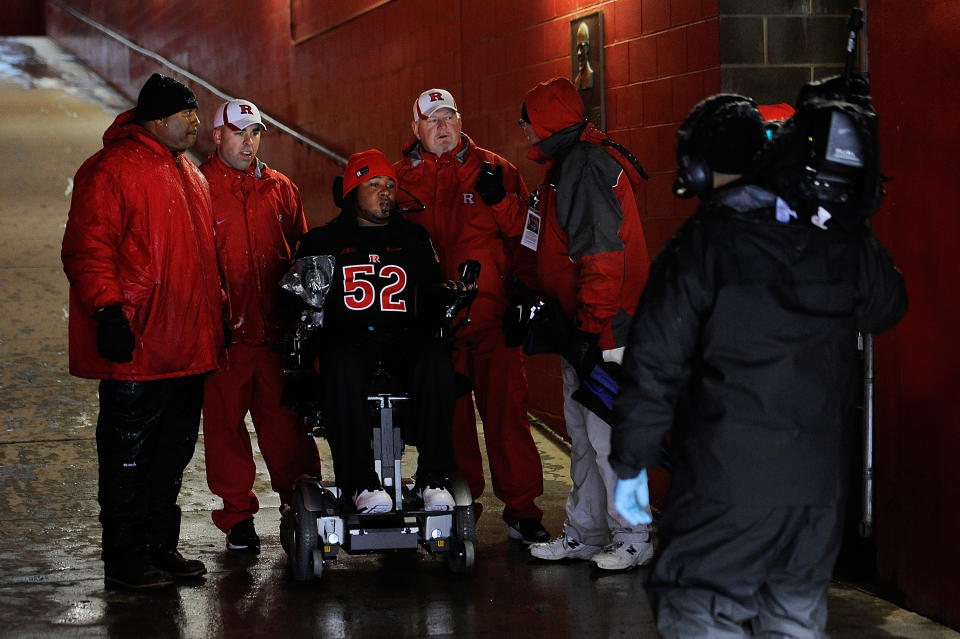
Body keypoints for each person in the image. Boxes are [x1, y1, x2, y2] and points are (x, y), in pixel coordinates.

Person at [609, 94, 908, 637]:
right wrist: (845, 221)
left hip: (726, 488)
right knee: (793, 619)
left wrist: (630, 463)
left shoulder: (701, 244)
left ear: (697, 165)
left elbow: (653, 365)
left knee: (699, 610)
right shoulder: (826, 235)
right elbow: (887, 304)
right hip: (816, 495)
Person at [61, 73, 224, 589]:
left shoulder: (191, 173)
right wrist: (108, 312)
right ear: (157, 118)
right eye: (187, 113)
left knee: (170, 457)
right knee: (128, 458)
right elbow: (87, 249)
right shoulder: (110, 170)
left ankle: (159, 548)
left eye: (197, 112)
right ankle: (126, 561)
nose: (197, 121)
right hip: (138, 344)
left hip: (188, 346)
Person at [395, 89, 549, 543]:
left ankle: (523, 511)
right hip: (434, 329)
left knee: (508, 419)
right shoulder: (399, 180)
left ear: (460, 122)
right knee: (450, 424)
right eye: (432, 119)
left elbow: (530, 236)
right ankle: (464, 508)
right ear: (416, 129)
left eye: (449, 116)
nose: (442, 126)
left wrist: (521, 294)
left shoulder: (498, 170)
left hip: (492, 320)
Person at [518, 77, 654, 570]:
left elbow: (602, 253)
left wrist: (590, 326)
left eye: (528, 121)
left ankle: (634, 536)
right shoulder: (569, 165)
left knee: (611, 438)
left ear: (547, 120)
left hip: (607, 331)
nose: (524, 131)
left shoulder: (583, 167)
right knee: (585, 438)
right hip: (586, 327)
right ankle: (589, 531)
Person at [294, 149, 466, 513]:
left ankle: (432, 477)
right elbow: (303, 305)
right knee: (338, 361)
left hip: (402, 339)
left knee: (436, 361)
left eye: (390, 184)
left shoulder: (415, 239)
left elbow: (431, 294)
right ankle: (358, 483)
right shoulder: (322, 241)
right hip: (349, 340)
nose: (385, 192)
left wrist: (451, 292)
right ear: (352, 191)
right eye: (373, 184)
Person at [199, 99, 323, 555]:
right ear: (217, 136)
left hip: (274, 337)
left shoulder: (282, 189)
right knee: (225, 429)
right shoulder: (198, 186)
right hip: (224, 341)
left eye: (255, 133)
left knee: (286, 427)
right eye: (238, 132)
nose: (248, 142)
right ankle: (237, 518)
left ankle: (302, 502)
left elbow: (302, 259)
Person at [573, 21, 594, 91]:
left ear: (587, 49)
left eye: (582, 47)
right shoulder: (577, 80)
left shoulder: (590, 76)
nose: (579, 53)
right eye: (577, 48)